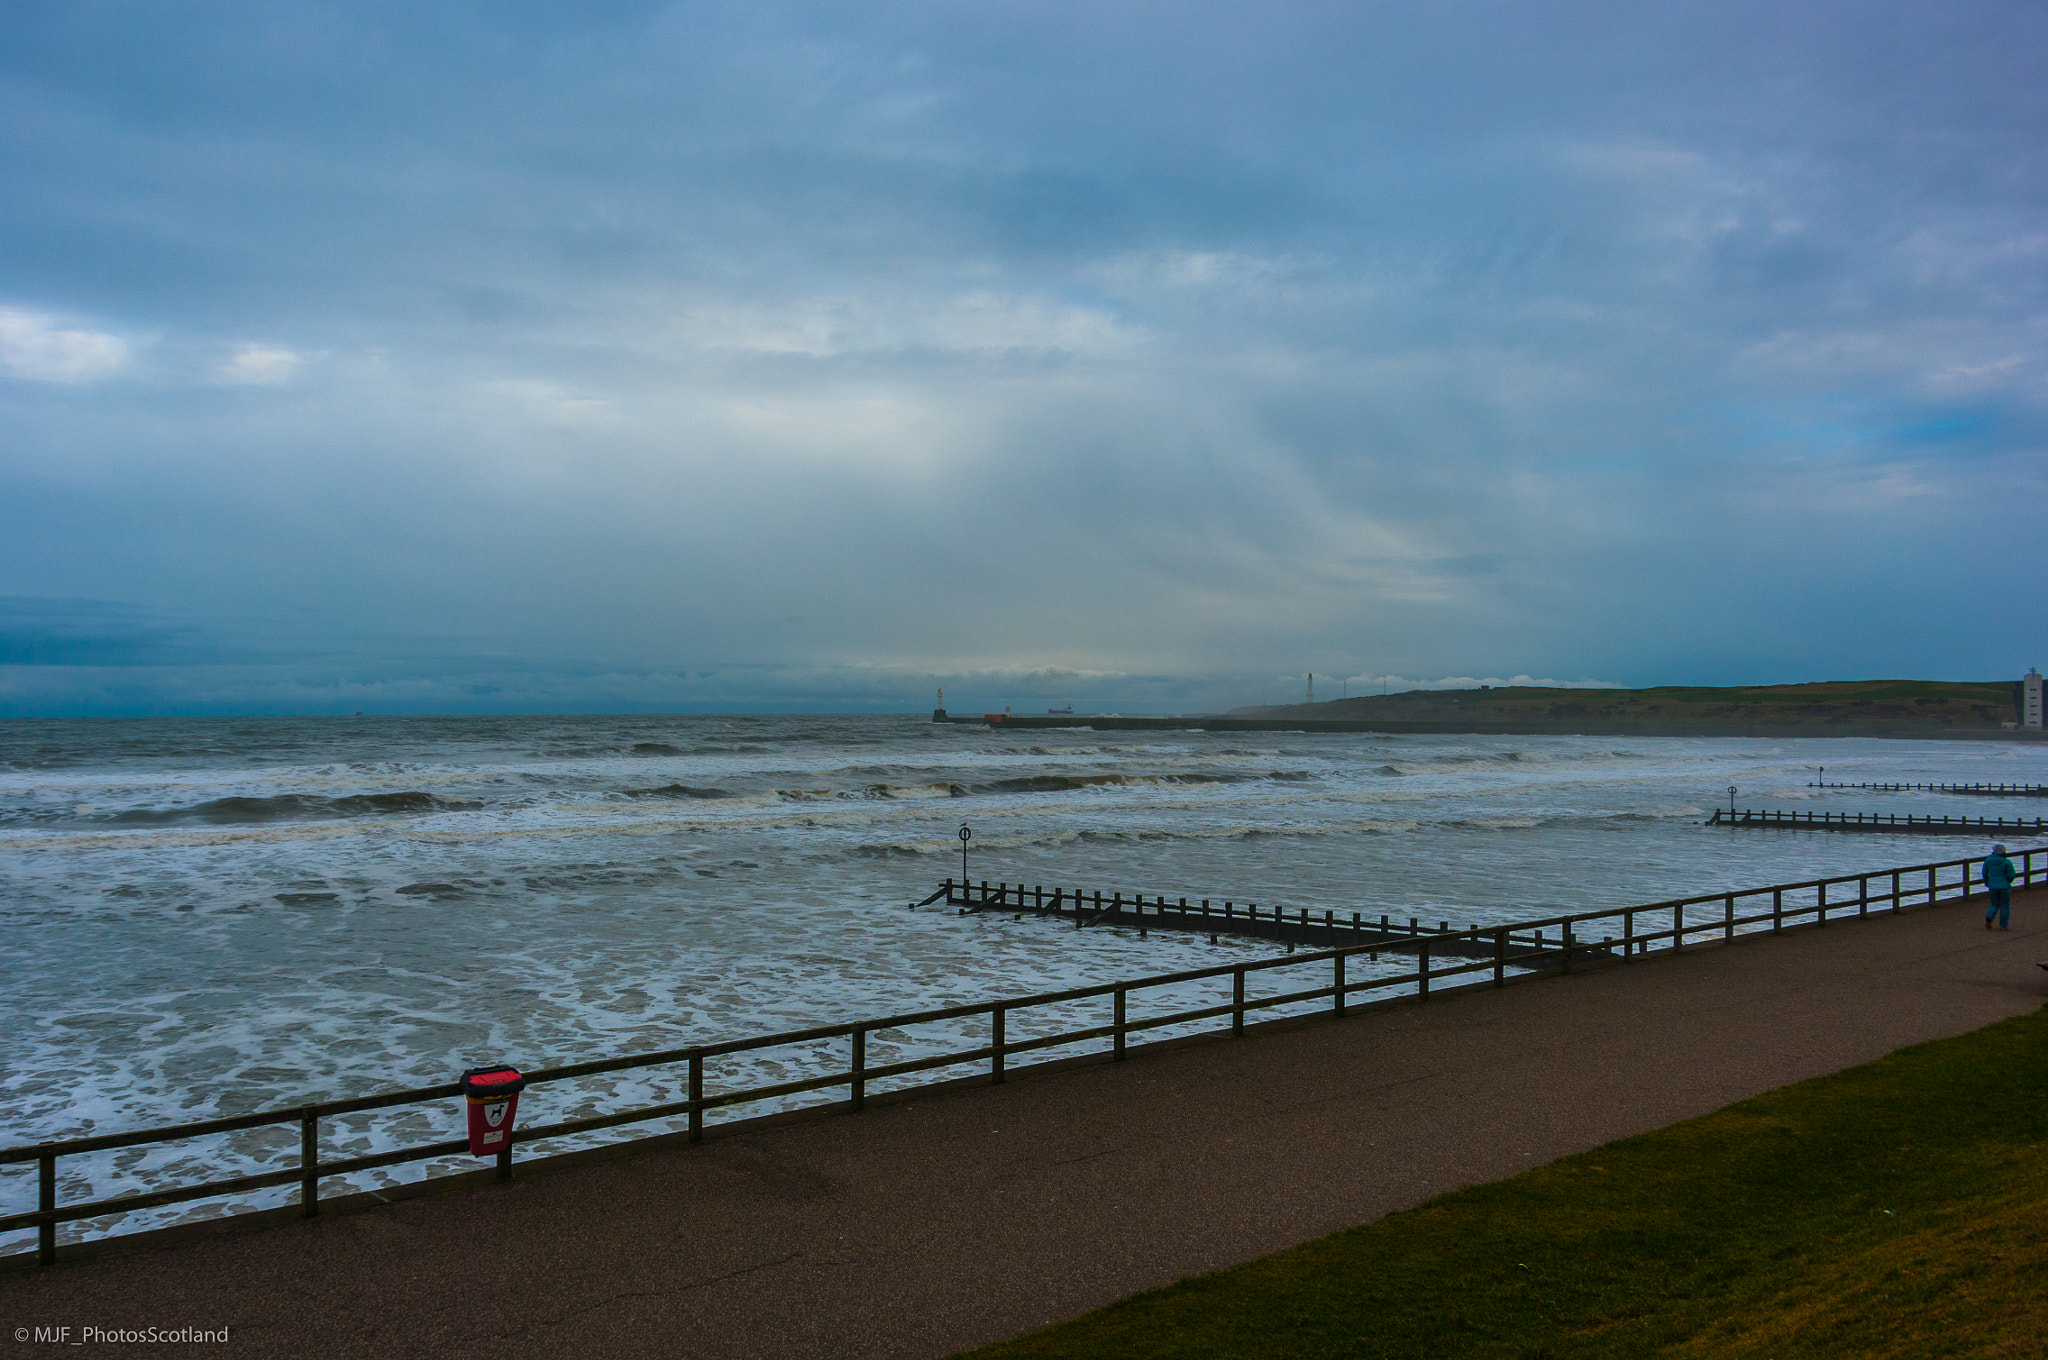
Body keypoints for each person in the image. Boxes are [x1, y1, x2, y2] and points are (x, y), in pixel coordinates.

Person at [1983, 844, 2016, 930]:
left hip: (1993, 886)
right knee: (2004, 906)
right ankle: (2003, 925)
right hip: (2004, 886)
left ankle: (1990, 916)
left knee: (1994, 904)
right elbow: (2011, 874)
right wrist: (2009, 880)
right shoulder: (2006, 862)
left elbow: (1984, 873)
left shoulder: (1987, 861)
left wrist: (1987, 882)